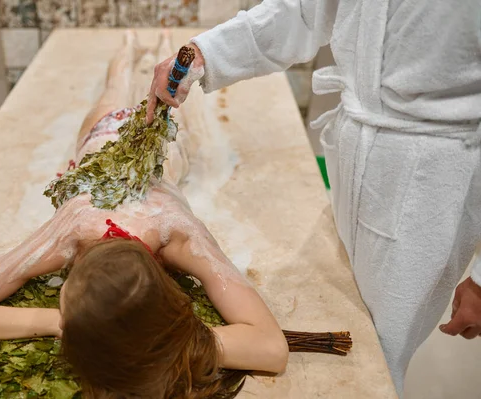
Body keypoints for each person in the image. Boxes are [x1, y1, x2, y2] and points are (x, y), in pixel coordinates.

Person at [0, 31, 288, 399]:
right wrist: (62, 322)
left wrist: (137, 337)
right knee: (119, 93)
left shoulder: (164, 230)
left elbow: (273, 350)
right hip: (103, 136)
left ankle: (154, 47)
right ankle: (129, 50)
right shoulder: (82, 227)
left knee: (165, 111)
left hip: (136, 145)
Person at [146, 0, 481, 396]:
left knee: (377, 358)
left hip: (434, 175)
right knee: (341, 293)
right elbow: (306, 10)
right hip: (360, 145)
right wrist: (207, 52)